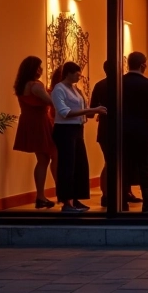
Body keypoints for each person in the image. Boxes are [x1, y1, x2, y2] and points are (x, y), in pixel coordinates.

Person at [51, 61, 106, 213]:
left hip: (77, 129)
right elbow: (64, 112)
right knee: (67, 166)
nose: (79, 76)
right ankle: (66, 202)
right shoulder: (59, 89)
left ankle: (75, 198)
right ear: (68, 73)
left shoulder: (75, 89)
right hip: (64, 130)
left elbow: (81, 108)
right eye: (76, 73)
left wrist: (91, 111)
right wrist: (92, 109)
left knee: (79, 165)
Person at [91, 60, 142, 209]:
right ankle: (116, 193)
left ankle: (107, 194)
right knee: (118, 162)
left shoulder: (99, 85)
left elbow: (93, 107)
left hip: (105, 128)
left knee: (109, 162)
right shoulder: (123, 85)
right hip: (122, 128)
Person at [12, 56, 58, 209]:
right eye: (38, 67)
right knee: (53, 155)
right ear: (31, 69)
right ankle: (59, 192)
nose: (40, 70)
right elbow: (51, 101)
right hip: (39, 123)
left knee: (43, 159)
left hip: (29, 122)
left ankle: (41, 196)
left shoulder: (21, 85)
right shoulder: (36, 85)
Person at [123, 52, 148, 213]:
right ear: (142, 65)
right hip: (141, 129)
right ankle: (147, 202)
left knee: (124, 166)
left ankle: (121, 201)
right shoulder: (146, 83)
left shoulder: (120, 81)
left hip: (124, 129)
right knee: (144, 167)